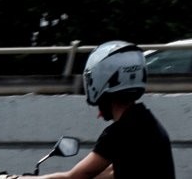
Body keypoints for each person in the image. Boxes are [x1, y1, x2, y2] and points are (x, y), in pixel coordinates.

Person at [37, 40, 175, 179]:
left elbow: (74, 177)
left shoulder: (120, 133)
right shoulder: (147, 122)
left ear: (100, 80)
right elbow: (112, 172)